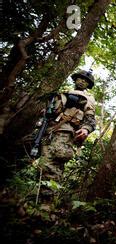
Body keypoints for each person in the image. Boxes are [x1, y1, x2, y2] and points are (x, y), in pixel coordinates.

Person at [37, 69, 96, 203]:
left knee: (53, 164)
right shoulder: (62, 93)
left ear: (88, 85)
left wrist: (85, 129)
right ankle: (36, 198)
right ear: (75, 80)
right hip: (48, 130)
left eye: (86, 81)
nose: (82, 81)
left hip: (65, 132)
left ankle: (46, 203)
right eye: (80, 79)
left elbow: (91, 119)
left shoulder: (87, 98)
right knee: (43, 163)